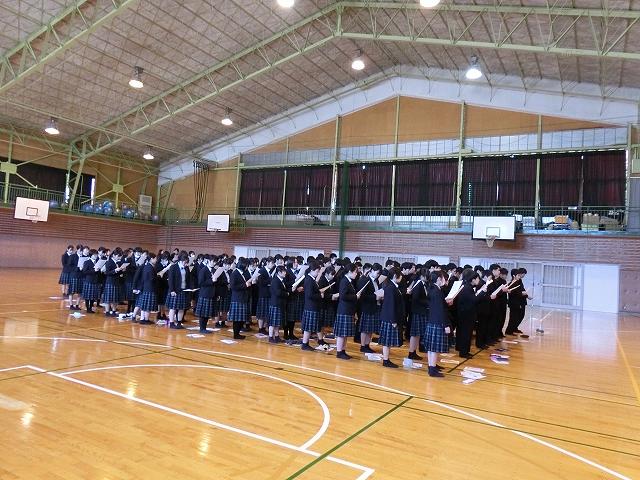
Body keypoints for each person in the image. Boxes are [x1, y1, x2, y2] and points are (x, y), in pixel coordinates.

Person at [453, 268, 488, 358]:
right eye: (477, 278)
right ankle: (464, 352)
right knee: (466, 333)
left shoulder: (466, 286)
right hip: (466, 315)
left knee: (463, 333)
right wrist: (482, 292)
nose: (479, 280)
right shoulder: (467, 288)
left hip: (464, 313)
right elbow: (474, 300)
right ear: (473, 279)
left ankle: (461, 349)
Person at [424, 271, 452, 377]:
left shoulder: (432, 289)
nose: (444, 280)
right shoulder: (437, 291)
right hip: (438, 322)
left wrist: (445, 302)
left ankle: (432, 366)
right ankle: (432, 369)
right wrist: (446, 325)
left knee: (431, 347)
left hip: (432, 320)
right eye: (443, 278)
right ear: (439, 279)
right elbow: (440, 310)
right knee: (434, 348)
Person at [378, 267, 404, 368]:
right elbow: (390, 305)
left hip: (389, 317)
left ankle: (386, 359)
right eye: (400, 276)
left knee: (387, 341)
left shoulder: (392, 286)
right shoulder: (391, 287)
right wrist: (393, 320)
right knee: (387, 341)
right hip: (389, 318)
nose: (401, 277)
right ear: (395, 276)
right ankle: (386, 360)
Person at [334, 264, 360, 360]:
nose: (356, 274)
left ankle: (343, 350)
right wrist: (355, 296)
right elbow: (343, 296)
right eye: (355, 272)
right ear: (349, 272)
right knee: (341, 334)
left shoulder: (349, 281)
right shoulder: (344, 281)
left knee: (345, 334)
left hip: (348, 310)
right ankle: (339, 352)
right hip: (344, 310)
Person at [356, 263, 383, 354]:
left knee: (370, 329)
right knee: (365, 329)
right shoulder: (366, 280)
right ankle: (363, 345)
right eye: (377, 273)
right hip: (367, 307)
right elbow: (363, 296)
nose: (378, 275)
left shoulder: (376, 281)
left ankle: (367, 345)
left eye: (379, 274)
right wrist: (375, 297)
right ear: (372, 271)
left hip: (375, 306)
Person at [228, 257, 255, 340]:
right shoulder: (235, 273)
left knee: (242, 318)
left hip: (244, 297)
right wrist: (245, 285)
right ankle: (236, 334)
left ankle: (238, 333)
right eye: (246, 265)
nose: (247, 267)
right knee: (237, 319)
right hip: (237, 298)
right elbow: (233, 287)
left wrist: (250, 283)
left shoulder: (244, 273)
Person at [301, 260, 324, 351]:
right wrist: (320, 295)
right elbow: (310, 295)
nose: (318, 273)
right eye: (317, 271)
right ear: (312, 270)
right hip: (311, 306)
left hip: (312, 306)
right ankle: (305, 344)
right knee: (308, 327)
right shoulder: (309, 280)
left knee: (309, 327)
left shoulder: (311, 279)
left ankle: (305, 343)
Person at [409, 267, 429, 360]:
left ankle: (413, 351)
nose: (427, 278)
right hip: (418, 311)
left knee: (418, 334)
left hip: (421, 311)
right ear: (421, 276)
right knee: (415, 334)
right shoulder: (418, 284)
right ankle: (411, 352)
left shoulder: (423, 283)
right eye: (426, 276)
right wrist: (427, 302)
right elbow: (415, 298)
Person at [166, 253, 191, 329]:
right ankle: (171, 323)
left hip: (184, 290)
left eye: (186, 262)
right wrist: (172, 290)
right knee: (173, 308)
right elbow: (170, 280)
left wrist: (190, 288)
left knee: (181, 308)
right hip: (175, 290)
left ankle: (179, 323)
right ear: (180, 261)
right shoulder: (173, 267)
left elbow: (188, 279)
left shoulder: (186, 268)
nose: (186, 264)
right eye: (185, 262)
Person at [133, 253, 158, 325]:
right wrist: (158, 277)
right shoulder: (148, 267)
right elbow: (150, 278)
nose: (156, 260)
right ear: (151, 259)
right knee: (147, 306)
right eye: (155, 258)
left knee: (144, 305)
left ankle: (143, 319)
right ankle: (144, 319)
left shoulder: (147, 266)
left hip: (145, 288)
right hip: (148, 288)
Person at [268, 265, 288, 343]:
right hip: (275, 303)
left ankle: (277, 336)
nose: (285, 273)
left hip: (279, 303)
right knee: (272, 322)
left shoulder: (281, 280)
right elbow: (278, 292)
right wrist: (287, 294)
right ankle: (270, 337)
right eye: (284, 272)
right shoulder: (275, 280)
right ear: (279, 272)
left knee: (277, 322)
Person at [81, 249, 101, 314]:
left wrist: (100, 270)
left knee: (93, 296)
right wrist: (94, 270)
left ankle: (91, 307)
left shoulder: (97, 262)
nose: (96, 256)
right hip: (89, 281)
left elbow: (98, 272)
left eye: (96, 255)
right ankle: (88, 308)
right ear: (91, 255)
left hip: (96, 281)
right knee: (87, 296)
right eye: (94, 255)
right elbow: (84, 271)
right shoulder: (87, 262)